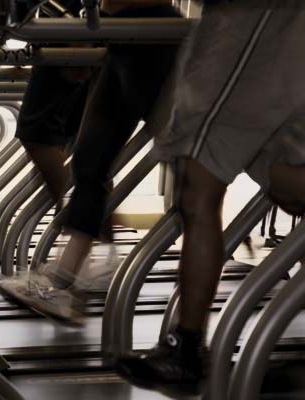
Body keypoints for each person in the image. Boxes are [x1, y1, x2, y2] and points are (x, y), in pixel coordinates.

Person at [117, 0, 305, 392]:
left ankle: (184, 350)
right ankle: (184, 349)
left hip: (255, 16)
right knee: (287, 182)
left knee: (197, 183)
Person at [0, 0, 183, 325]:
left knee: (190, 165)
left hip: (148, 28)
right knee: (89, 158)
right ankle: (63, 280)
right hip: (117, 28)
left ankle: (188, 316)